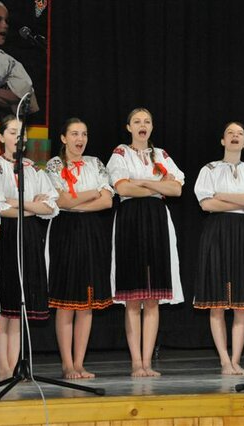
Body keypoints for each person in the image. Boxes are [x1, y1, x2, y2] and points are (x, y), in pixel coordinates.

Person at [106, 107, 184, 377]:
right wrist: (156, 183)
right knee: (133, 298)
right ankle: (136, 362)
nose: (143, 125)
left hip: (157, 219)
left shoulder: (161, 154)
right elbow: (123, 188)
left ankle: (148, 362)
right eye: (137, 121)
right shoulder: (120, 152)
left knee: (152, 298)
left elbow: (176, 188)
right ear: (128, 127)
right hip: (131, 219)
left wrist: (143, 182)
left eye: (147, 121)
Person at [0, 115, 58, 380]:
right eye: (12, 132)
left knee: (18, 308)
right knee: (5, 303)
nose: (18, 137)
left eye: (22, 133)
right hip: (5, 236)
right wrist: (29, 206)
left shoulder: (33, 168)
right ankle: (3, 368)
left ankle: (15, 366)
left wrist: (18, 203)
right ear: (1, 137)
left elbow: (50, 207)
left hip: (29, 236)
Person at [193, 122, 244, 375]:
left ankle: (236, 358)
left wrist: (222, 196)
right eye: (230, 133)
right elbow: (206, 205)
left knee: (241, 302)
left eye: (240, 134)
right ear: (223, 140)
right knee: (217, 301)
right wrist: (239, 200)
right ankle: (224, 360)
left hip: (243, 232)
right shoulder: (209, 169)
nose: (235, 136)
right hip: (216, 232)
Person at [45, 118, 114, 379]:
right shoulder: (54, 164)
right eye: (74, 133)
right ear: (63, 138)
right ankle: (67, 363)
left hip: (91, 232)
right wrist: (91, 193)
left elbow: (107, 201)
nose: (80, 139)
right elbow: (60, 201)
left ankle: (80, 362)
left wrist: (77, 201)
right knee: (66, 302)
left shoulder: (95, 163)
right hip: (65, 232)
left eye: (84, 134)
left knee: (86, 303)